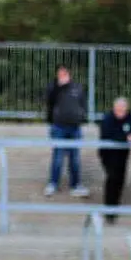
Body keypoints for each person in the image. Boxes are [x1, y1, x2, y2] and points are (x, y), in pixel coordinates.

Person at [44, 65, 90, 198]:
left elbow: (83, 104)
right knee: (58, 157)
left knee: (74, 158)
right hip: (59, 126)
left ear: (69, 74)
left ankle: (76, 185)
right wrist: (59, 86)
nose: (62, 75)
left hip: (75, 127)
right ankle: (53, 184)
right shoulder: (53, 87)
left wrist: (82, 116)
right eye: (60, 73)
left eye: (64, 73)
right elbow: (49, 101)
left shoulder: (77, 87)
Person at [98, 97, 131, 225]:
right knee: (112, 177)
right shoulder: (107, 118)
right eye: (118, 110)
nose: (120, 112)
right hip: (108, 154)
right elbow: (108, 134)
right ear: (114, 109)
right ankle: (109, 209)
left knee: (120, 179)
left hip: (123, 154)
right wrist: (125, 137)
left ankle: (115, 205)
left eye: (123, 110)